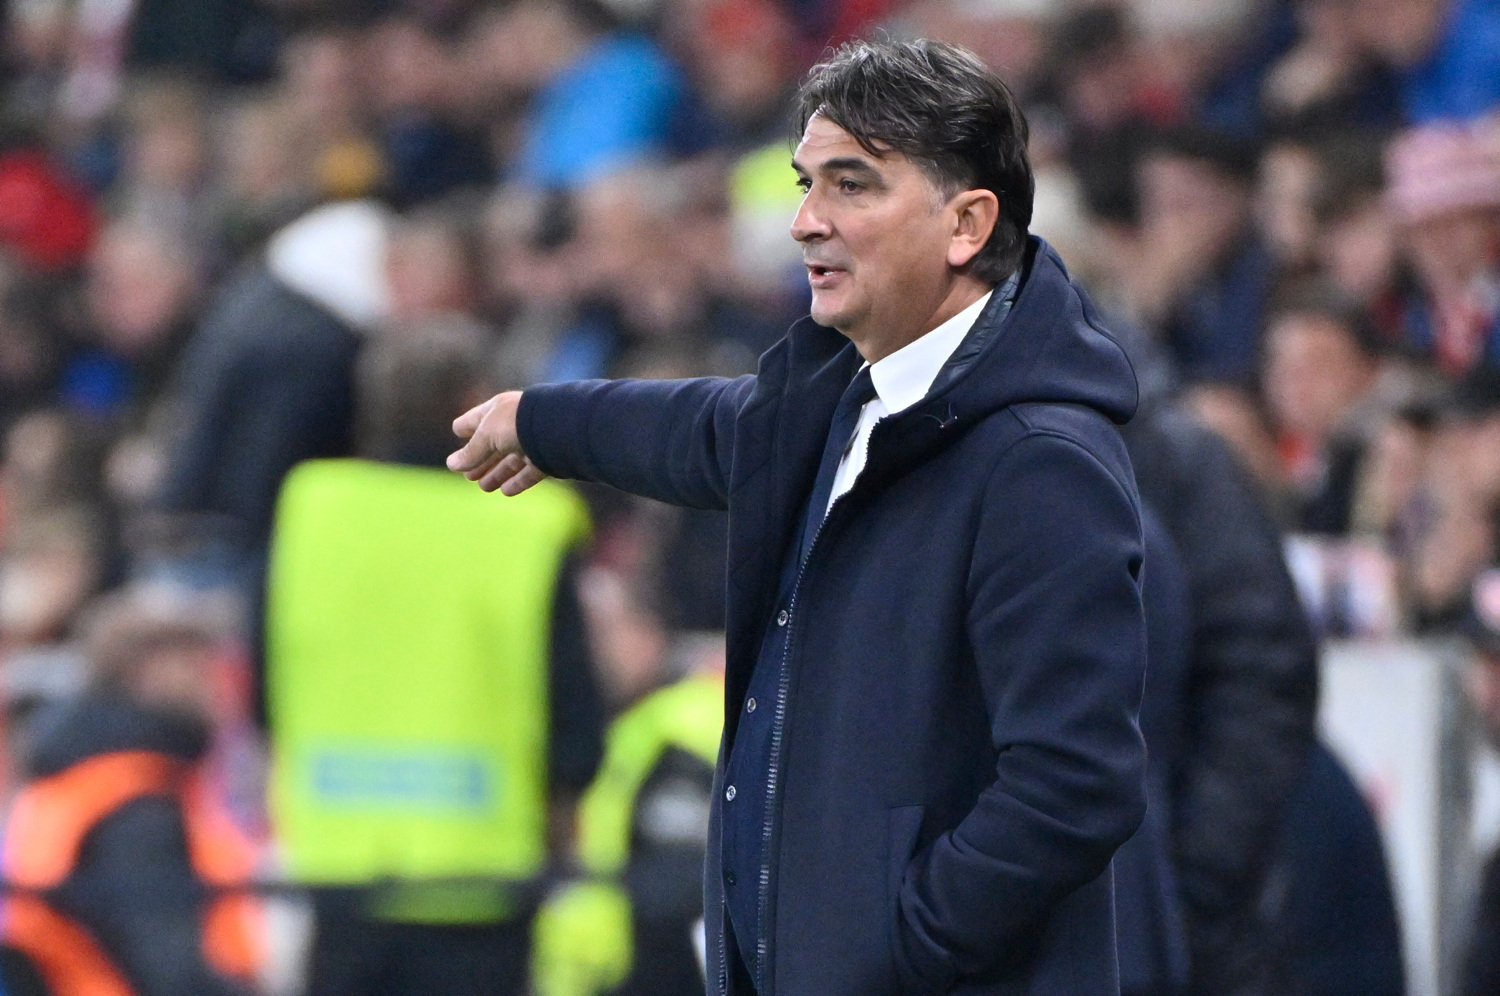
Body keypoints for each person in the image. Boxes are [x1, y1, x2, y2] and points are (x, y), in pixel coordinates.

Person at [450, 38, 1149, 996]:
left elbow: (1074, 785)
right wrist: (544, 420)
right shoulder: (849, 403)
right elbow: (705, 429)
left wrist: (897, 948)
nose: (805, 221)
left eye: (851, 186)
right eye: (805, 184)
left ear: (966, 223)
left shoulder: (1039, 463)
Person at [265, 316, 604, 996]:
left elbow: (262, 682)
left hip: (338, 870)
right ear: (476, 400)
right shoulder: (529, 523)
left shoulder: (311, 507)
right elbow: (571, 709)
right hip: (480, 879)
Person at [0, 583, 261, 996]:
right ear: (148, 670)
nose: (216, 680)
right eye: (196, 660)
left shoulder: (90, 778)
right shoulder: (135, 805)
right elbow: (170, 971)